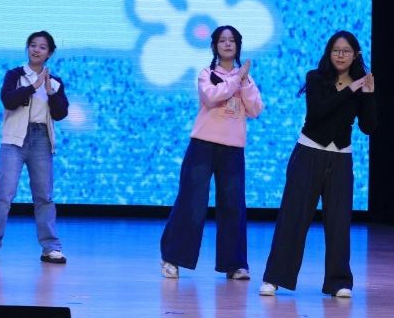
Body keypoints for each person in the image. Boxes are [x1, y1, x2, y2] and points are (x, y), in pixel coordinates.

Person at [260, 31, 376, 298]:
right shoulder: (316, 78)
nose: (340, 55)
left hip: (341, 157)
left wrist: (368, 95)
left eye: (346, 51)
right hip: (309, 153)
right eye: (336, 50)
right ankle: (275, 278)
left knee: (339, 222)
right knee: (294, 217)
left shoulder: (361, 85)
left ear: (355, 55)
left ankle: (339, 282)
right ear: (329, 52)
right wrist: (350, 90)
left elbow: (369, 127)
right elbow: (317, 113)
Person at [159, 25, 262, 280]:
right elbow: (211, 97)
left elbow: (256, 109)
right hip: (202, 146)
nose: (227, 44)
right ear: (214, 46)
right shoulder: (207, 74)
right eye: (222, 40)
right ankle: (172, 258)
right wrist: (236, 80)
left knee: (233, 205)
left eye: (232, 40)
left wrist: (244, 81)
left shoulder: (245, 78)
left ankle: (235, 264)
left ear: (238, 46)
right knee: (192, 203)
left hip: (233, 149)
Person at [0, 31, 71, 265]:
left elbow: (60, 114)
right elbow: (8, 100)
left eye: (42, 47)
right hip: (14, 139)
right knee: (3, 194)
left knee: (44, 196)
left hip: (41, 139)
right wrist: (33, 86)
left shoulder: (55, 82)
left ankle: (50, 247)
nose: (36, 50)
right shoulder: (15, 75)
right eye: (32, 45)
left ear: (49, 53)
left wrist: (50, 92)